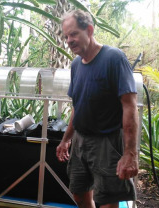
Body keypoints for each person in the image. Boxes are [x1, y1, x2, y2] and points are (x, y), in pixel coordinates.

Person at [56, 10, 139, 208]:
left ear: (90, 30)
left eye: (74, 34)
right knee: (78, 192)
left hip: (107, 143)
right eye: (66, 36)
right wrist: (66, 139)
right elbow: (78, 105)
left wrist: (130, 153)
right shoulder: (76, 65)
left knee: (108, 201)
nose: (69, 40)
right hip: (80, 141)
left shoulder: (114, 58)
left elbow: (130, 107)